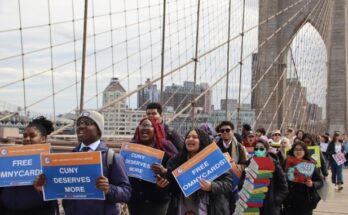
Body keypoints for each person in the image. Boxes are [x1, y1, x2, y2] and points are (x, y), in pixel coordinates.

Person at [62, 110, 131, 215]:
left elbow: (126, 192)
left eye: (87, 123)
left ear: (99, 130)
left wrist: (109, 189)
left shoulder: (112, 157)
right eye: (79, 124)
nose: (81, 126)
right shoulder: (69, 157)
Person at [157, 128, 233, 215]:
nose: (190, 139)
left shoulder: (213, 158)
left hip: (209, 208)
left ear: (203, 140)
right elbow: (172, 187)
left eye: (195, 137)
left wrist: (212, 186)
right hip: (182, 208)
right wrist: (163, 185)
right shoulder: (175, 161)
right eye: (188, 137)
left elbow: (229, 183)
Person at [0, 116, 58, 215]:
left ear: (43, 139)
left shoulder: (51, 162)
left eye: (32, 136)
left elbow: (55, 191)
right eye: (25, 136)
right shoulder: (10, 159)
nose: (27, 139)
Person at [127, 118, 177, 215]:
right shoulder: (130, 149)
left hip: (157, 201)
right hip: (135, 201)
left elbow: (177, 173)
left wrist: (164, 171)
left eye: (148, 126)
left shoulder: (166, 149)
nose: (144, 128)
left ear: (155, 130)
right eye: (142, 126)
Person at [238, 139, 288, 215]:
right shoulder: (249, 163)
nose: (258, 150)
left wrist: (275, 200)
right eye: (256, 148)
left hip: (269, 207)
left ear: (266, 150)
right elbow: (242, 182)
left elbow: (283, 187)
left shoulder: (274, 164)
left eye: (261, 148)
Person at [283, 141, 323, 215]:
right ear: (293, 151)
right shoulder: (287, 162)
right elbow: (280, 178)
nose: (298, 151)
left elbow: (320, 182)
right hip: (289, 201)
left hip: (305, 200)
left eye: (301, 149)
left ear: (305, 151)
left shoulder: (311, 163)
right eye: (296, 149)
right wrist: (285, 175)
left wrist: (312, 184)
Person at [215, 121, 247, 213]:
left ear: (233, 131)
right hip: (219, 184)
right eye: (222, 130)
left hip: (234, 184)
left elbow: (244, 164)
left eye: (227, 130)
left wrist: (234, 167)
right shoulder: (214, 147)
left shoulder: (240, 147)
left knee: (234, 209)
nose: (225, 132)